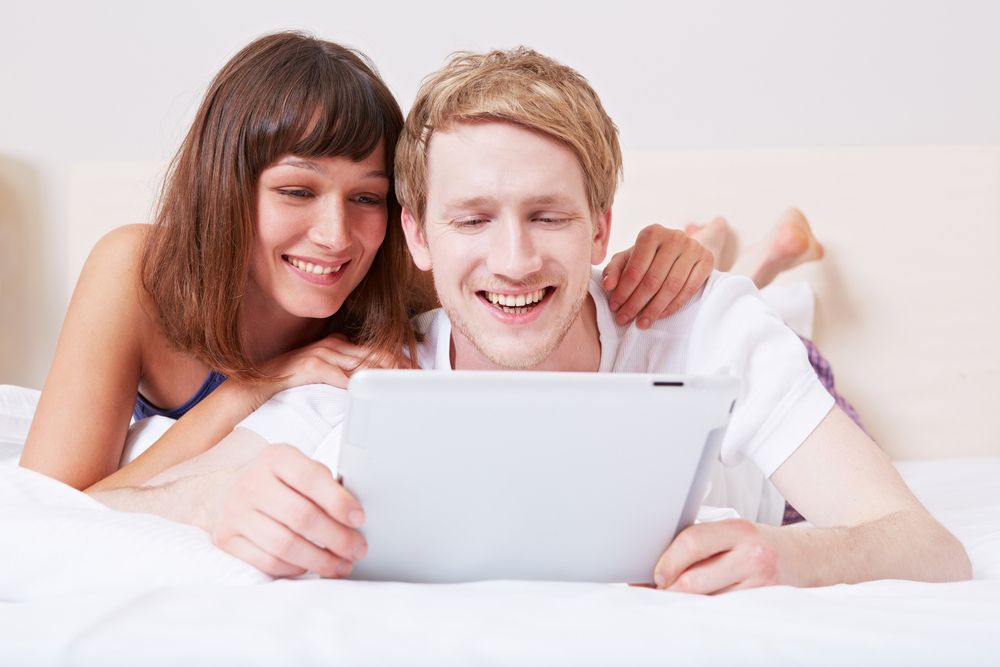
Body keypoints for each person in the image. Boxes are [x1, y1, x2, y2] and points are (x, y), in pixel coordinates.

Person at [95, 46, 971, 591]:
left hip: (774, 446)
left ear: (601, 228)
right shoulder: (367, 376)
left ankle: (761, 264)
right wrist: (218, 500)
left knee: (767, 318)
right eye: (473, 219)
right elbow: (100, 506)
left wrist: (795, 558)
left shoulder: (711, 327)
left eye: (548, 217)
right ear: (417, 237)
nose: (513, 259)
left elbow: (931, 546)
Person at [18, 32, 712, 494]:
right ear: (226, 187)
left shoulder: (396, 266)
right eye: (297, 191)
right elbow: (51, 506)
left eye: (367, 198)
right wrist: (254, 388)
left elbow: (536, 280)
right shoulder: (137, 270)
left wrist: (679, 251)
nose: (335, 235)